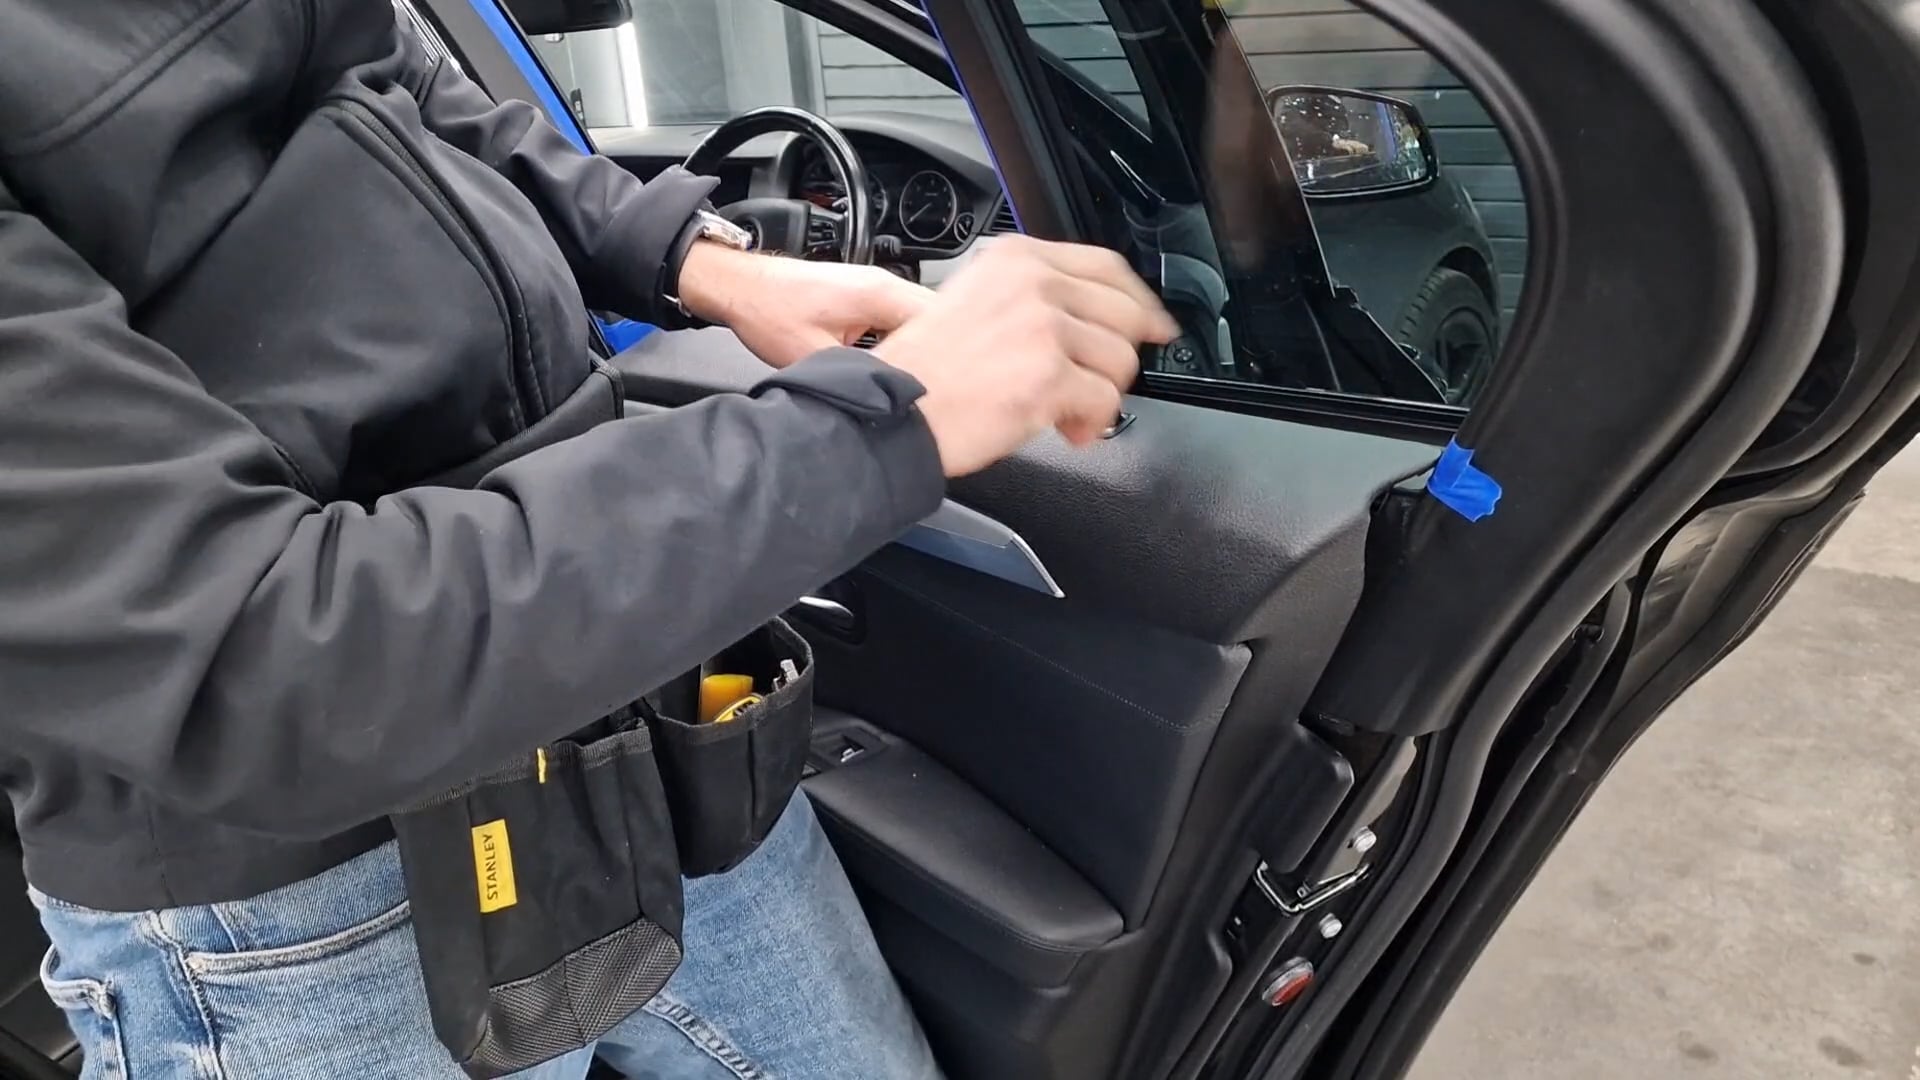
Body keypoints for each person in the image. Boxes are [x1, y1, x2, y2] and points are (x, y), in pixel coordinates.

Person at [0, 1, 1174, 1077]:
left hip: (630, 712)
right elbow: (265, 663)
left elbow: (394, 89)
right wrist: (874, 428)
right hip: (305, 910)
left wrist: (698, 262)